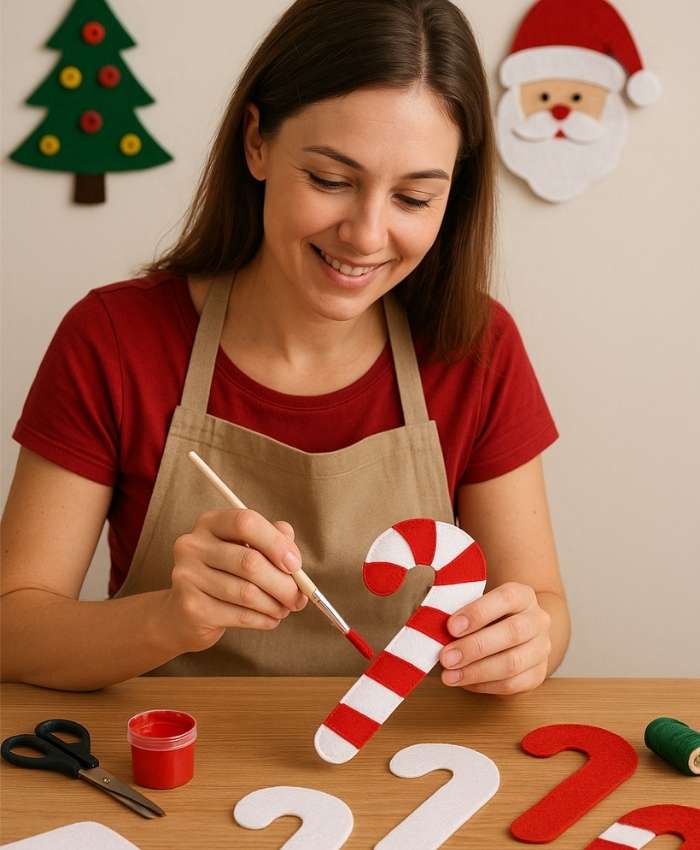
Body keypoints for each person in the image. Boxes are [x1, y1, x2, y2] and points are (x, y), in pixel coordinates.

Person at [1, 0, 570, 692]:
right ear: (257, 143)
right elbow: (12, 630)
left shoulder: (476, 347)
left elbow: (544, 607)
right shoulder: (114, 340)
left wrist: (526, 642)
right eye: (331, 180)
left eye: (414, 198)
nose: (366, 235)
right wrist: (171, 620)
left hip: (404, 752)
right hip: (175, 752)